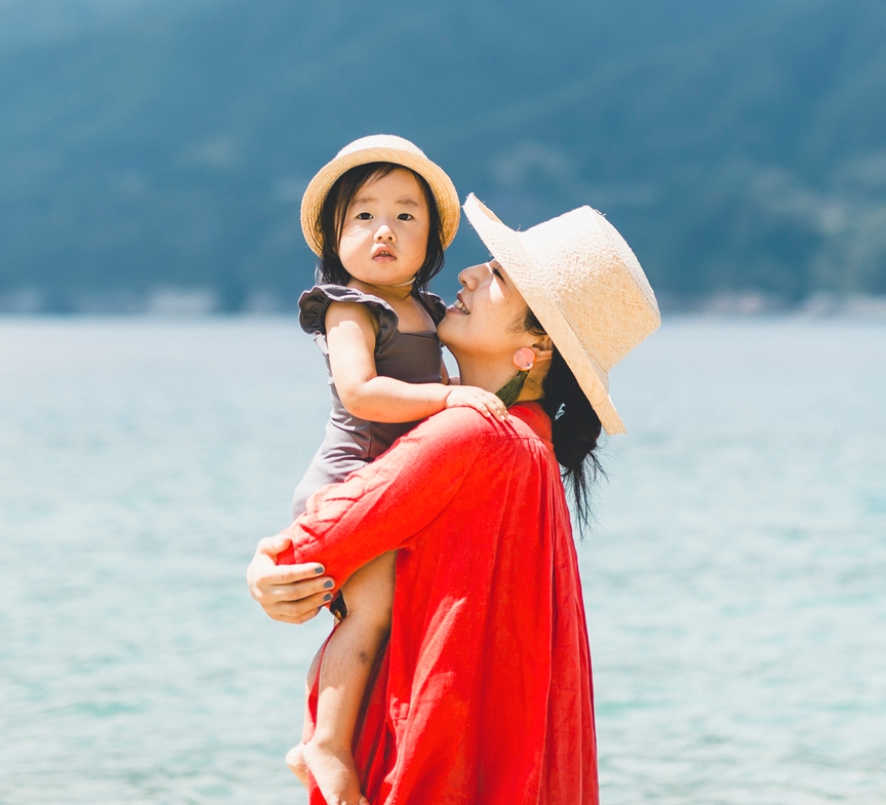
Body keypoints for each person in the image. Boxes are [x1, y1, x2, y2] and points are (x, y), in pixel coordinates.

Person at [248, 195, 660, 805]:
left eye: (498, 275)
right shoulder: (531, 446)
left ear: (536, 348)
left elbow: (306, 553)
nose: (468, 272)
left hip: (427, 775)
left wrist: (263, 569)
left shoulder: (472, 434)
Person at [286, 135, 511, 803]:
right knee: (370, 616)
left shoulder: (432, 312)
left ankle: (355, 740)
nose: (384, 228)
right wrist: (450, 397)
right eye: (364, 215)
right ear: (334, 235)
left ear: (429, 244)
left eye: (405, 215)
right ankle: (323, 744)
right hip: (349, 478)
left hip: (395, 484)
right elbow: (360, 393)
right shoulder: (352, 306)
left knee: (384, 621)